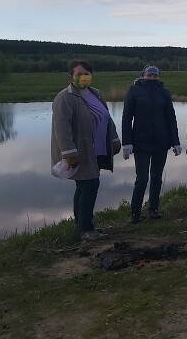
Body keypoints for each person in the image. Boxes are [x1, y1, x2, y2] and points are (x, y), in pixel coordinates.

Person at [51, 60, 121, 240]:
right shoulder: (64, 98)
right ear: (70, 77)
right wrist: (69, 153)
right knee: (90, 185)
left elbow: (107, 118)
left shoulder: (95, 94)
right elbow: (62, 128)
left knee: (84, 186)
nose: (84, 77)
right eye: (80, 74)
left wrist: (114, 140)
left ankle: (80, 224)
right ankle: (86, 229)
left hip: (96, 150)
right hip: (80, 151)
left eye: (87, 74)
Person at [122, 65, 181, 223]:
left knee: (157, 177)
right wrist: (126, 142)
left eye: (155, 75)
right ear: (143, 75)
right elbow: (127, 118)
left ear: (159, 77)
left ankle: (153, 209)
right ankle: (135, 212)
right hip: (141, 143)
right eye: (149, 75)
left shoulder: (164, 93)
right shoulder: (134, 91)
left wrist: (175, 142)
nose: (152, 77)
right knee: (142, 178)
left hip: (161, 142)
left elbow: (171, 118)